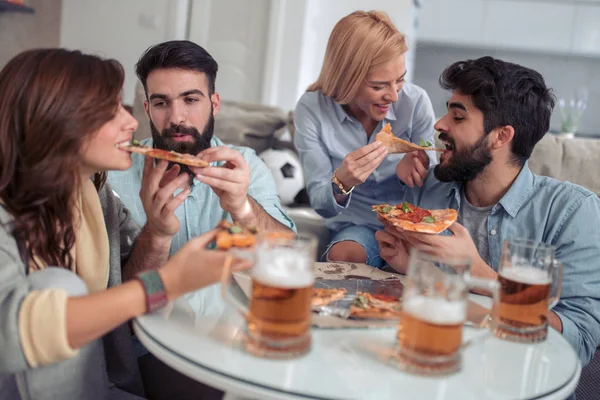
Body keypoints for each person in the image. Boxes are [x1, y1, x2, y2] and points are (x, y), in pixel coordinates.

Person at [0, 49, 249, 400]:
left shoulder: (95, 195)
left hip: (109, 384)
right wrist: (170, 281)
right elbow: (9, 334)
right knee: (58, 285)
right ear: (55, 120)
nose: (132, 122)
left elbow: (129, 299)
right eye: (109, 111)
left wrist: (160, 232)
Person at [376, 56, 600, 366]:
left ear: (500, 136)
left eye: (458, 117)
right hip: (431, 359)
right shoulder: (427, 187)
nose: (439, 124)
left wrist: (478, 272)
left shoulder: (573, 212)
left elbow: (579, 340)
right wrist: (408, 266)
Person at [108, 40, 295, 259]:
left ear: (214, 105)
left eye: (190, 100)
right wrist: (155, 234)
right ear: (147, 110)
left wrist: (243, 208)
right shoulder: (113, 176)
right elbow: (117, 286)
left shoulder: (247, 164)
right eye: (161, 103)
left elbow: (288, 257)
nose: (176, 117)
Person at [293, 10, 437, 269]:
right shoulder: (312, 109)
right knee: (343, 258)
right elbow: (321, 204)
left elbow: (437, 192)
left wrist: (418, 166)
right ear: (347, 79)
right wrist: (342, 182)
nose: (393, 96)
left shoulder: (415, 103)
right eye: (379, 86)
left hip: (411, 227)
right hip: (356, 226)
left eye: (400, 80)